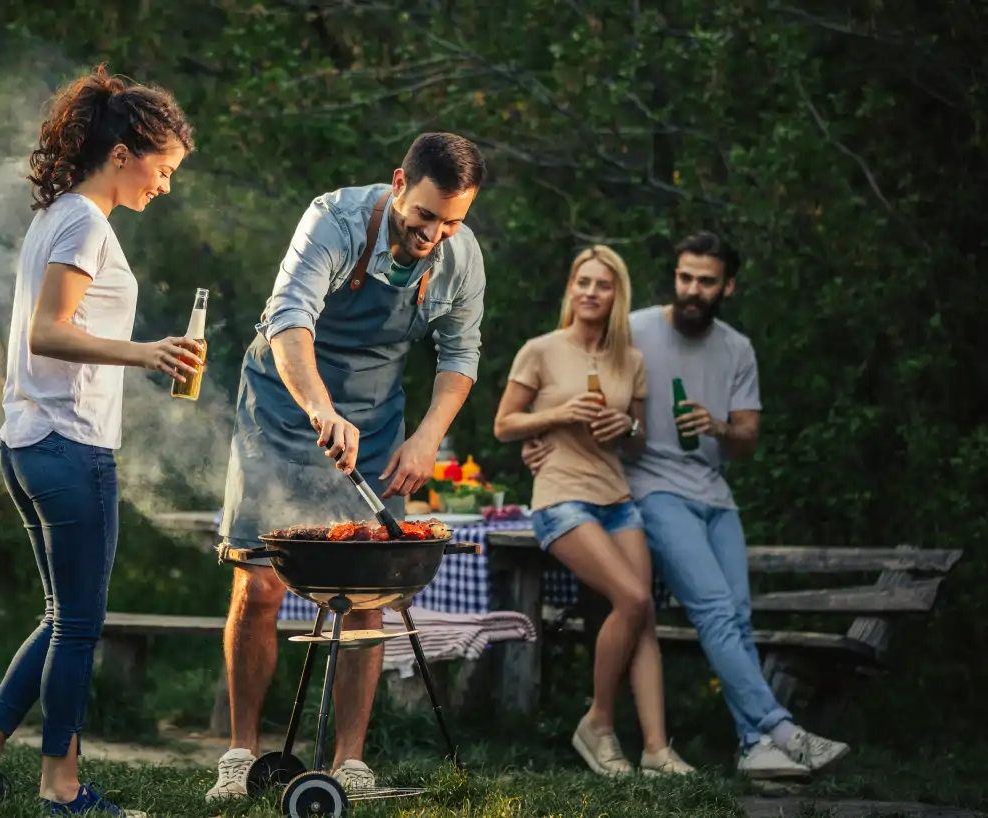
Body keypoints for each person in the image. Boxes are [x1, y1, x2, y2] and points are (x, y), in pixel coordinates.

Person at [0, 66, 203, 817]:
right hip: (67, 443)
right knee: (81, 624)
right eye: (164, 168)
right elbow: (48, 331)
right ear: (122, 154)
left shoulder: (58, 213)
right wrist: (147, 352)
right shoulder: (84, 220)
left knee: (61, 618)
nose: (166, 184)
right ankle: (62, 789)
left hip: (28, 439)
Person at [208, 133, 487, 802]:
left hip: (377, 418)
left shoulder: (459, 256)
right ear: (398, 184)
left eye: (452, 221)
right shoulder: (330, 221)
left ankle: (350, 762)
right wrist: (319, 408)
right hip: (280, 406)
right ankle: (241, 753)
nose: (435, 233)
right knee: (260, 585)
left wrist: (424, 438)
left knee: (368, 586)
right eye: (425, 216)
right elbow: (288, 321)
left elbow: (459, 356)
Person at [523, 231, 850, 779]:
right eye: (685, 277)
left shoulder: (736, 348)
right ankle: (783, 729)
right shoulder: (636, 330)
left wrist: (718, 425)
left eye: (706, 280)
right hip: (652, 490)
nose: (693, 289)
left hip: (715, 494)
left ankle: (753, 744)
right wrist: (546, 440)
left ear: (728, 286)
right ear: (675, 276)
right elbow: (570, 369)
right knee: (716, 611)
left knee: (737, 617)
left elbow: (747, 439)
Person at [494, 246, 693, 777]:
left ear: (615, 296)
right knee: (629, 596)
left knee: (642, 613)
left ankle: (655, 750)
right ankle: (598, 723)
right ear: (571, 289)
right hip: (561, 497)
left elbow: (640, 438)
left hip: (616, 497)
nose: (590, 292)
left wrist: (622, 427)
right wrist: (558, 414)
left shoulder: (632, 360)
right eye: (583, 282)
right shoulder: (540, 349)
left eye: (602, 285)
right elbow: (504, 424)